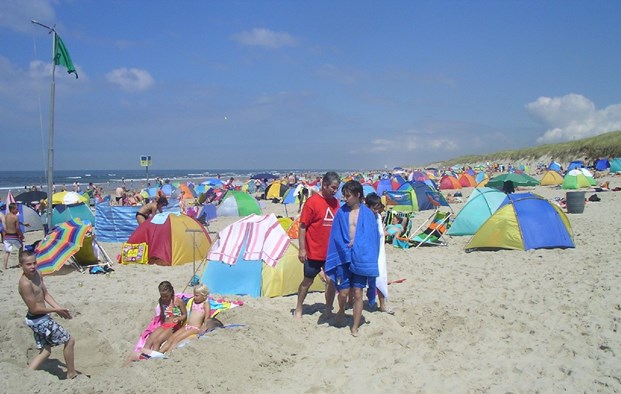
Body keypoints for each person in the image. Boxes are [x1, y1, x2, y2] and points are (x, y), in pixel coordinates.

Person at [325, 180, 380, 337]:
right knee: (343, 292)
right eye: (344, 195)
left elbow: (372, 238)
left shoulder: (368, 215)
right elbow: (335, 235)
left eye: (348, 196)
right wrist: (345, 245)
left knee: (357, 293)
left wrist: (358, 245)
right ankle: (341, 310)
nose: (345, 199)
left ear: (357, 195)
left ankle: (355, 326)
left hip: (361, 257)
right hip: (344, 257)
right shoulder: (341, 213)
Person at [18, 251, 77, 379]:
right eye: (28, 264)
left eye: (34, 263)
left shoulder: (38, 274)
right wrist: (54, 310)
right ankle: (71, 373)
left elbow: (45, 294)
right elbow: (34, 308)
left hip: (40, 318)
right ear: (21, 265)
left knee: (46, 350)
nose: (32, 266)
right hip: (38, 320)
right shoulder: (25, 283)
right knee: (69, 340)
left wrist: (59, 308)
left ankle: (27, 374)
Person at [293, 171, 341, 319]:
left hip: (330, 251)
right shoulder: (312, 202)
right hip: (313, 251)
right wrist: (302, 249)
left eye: (337, 188)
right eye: (333, 187)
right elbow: (303, 226)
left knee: (331, 281)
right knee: (307, 281)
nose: (335, 191)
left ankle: (328, 309)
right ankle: (299, 308)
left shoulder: (336, 202)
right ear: (324, 185)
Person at [159, 284, 222, 354]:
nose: (194, 297)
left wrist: (203, 328)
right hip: (187, 325)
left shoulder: (205, 304)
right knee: (172, 338)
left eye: (197, 295)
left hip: (195, 328)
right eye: (194, 294)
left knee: (177, 339)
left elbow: (207, 318)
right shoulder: (193, 301)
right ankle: (159, 352)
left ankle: (168, 353)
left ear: (204, 296)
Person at [364, 193, 393, 314]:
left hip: (379, 253)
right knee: (360, 280)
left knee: (381, 277)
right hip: (367, 253)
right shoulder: (364, 217)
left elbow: (381, 234)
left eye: (377, 208)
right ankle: (351, 302)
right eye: (374, 208)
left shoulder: (378, 217)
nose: (376, 210)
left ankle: (382, 305)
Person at [141, 281, 187, 355]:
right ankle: (143, 356)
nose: (164, 298)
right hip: (165, 324)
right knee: (150, 339)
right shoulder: (161, 300)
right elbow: (162, 313)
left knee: (157, 340)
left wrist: (178, 319)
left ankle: (154, 358)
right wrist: (161, 326)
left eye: (166, 296)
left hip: (174, 326)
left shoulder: (178, 301)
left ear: (171, 292)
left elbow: (184, 315)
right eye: (162, 296)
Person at [3, 203, 24, 271]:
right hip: (13, 236)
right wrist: (21, 235)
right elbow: (17, 228)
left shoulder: (6, 216)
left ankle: (5, 266)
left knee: (7, 252)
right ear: (12, 209)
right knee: (21, 247)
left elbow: (8, 224)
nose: (17, 210)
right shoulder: (15, 217)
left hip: (7, 236)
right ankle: (20, 263)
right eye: (16, 209)